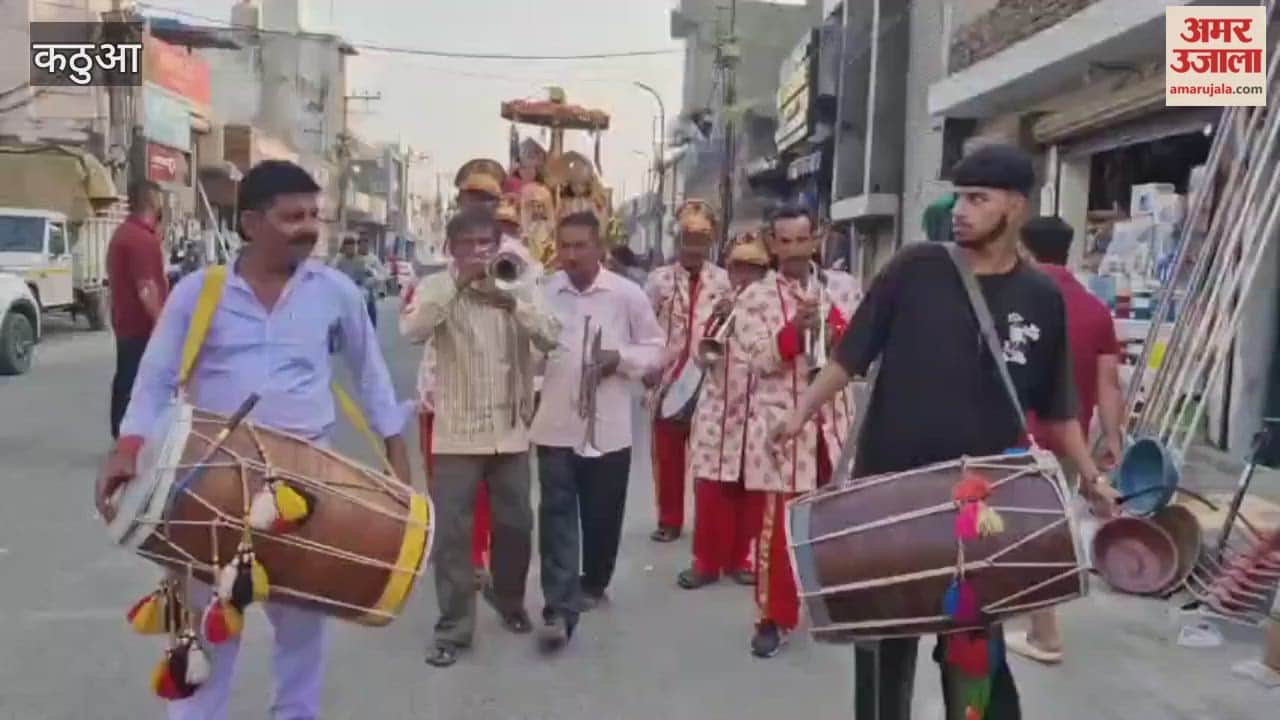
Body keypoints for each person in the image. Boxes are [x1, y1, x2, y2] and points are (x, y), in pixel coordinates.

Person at [773, 144, 1120, 719]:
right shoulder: (914, 268)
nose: (960, 209)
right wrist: (799, 412)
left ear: (1014, 207)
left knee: (971, 654)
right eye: (957, 196)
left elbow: (1058, 409)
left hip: (978, 508)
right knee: (883, 650)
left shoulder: (1041, 298)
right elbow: (849, 357)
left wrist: (1090, 477)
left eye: (976, 199)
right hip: (888, 492)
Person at [93, 160, 411, 719]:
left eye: (314, 215)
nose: (309, 227)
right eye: (293, 217)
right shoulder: (200, 292)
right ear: (250, 223)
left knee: (301, 631)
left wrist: (397, 462)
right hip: (212, 482)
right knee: (207, 630)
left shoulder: (335, 291)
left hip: (307, 485)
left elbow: (372, 377)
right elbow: (155, 378)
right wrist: (126, 450)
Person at [400, 205, 560, 668]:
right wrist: (457, 283)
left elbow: (552, 337)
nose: (477, 252)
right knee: (453, 535)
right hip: (455, 434)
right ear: (452, 249)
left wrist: (515, 303)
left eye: (485, 244)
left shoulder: (519, 283)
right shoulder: (437, 287)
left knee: (516, 526)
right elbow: (413, 330)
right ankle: (453, 627)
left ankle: (508, 600)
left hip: (510, 432)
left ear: (498, 246)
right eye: (467, 245)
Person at [529, 210, 664, 650]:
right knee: (556, 518)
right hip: (554, 425)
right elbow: (529, 355)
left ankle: (595, 579)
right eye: (564, 246)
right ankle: (558, 606)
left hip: (608, 428)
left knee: (602, 518)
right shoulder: (543, 293)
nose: (570, 255)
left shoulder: (627, 295)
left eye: (579, 245)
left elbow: (656, 349)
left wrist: (620, 360)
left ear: (598, 248)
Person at [735, 206, 861, 658]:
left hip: (834, 424)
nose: (791, 250)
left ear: (817, 239)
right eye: (782, 241)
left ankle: (840, 606)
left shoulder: (843, 288)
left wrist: (832, 326)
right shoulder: (754, 298)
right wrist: (792, 334)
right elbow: (753, 360)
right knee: (776, 530)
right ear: (771, 243)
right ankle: (772, 617)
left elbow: (861, 349)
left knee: (838, 522)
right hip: (780, 429)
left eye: (799, 240)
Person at [1007, 215, 1125, 665]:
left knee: (1022, 529)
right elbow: (1109, 382)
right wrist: (1113, 440)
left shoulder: (1018, 301)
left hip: (1015, 437)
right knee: (1046, 526)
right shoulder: (1095, 309)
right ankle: (1029, 619)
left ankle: (1044, 633)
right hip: (1070, 439)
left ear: (1024, 249)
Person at [676, 233, 771, 591]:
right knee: (711, 488)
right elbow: (700, 354)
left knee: (751, 489)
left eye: (753, 269)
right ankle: (706, 562)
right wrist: (715, 322)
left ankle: (742, 558)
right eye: (738, 268)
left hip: (757, 406)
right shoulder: (714, 300)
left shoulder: (773, 304)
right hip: (717, 406)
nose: (744, 276)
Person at [642, 200, 731, 542]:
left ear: (711, 242)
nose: (693, 248)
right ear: (677, 240)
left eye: (701, 240)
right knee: (667, 455)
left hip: (710, 379)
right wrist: (647, 368)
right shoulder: (658, 280)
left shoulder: (723, 281)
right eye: (687, 239)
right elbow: (643, 326)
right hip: (668, 379)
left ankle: (709, 526)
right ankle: (669, 519)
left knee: (709, 455)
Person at [106, 179, 168, 439]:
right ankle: (128, 435)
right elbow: (147, 288)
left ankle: (121, 432)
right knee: (138, 381)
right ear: (153, 201)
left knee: (127, 378)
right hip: (140, 325)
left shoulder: (124, 233)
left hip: (125, 321)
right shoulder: (142, 240)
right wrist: (162, 325)